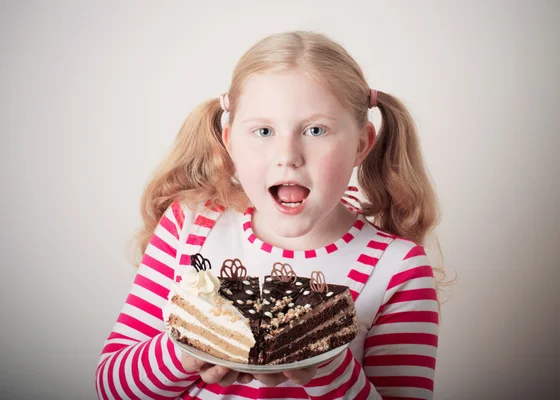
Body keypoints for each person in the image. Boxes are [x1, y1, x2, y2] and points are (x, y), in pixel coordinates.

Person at [96, 30, 444, 400]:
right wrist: (187, 349)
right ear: (230, 143)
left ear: (361, 144)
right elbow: (112, 387)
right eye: (263, 130)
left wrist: (326, 366)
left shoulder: (397, 268)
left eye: (315, 130)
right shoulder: (190, 225)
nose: (288, 155)